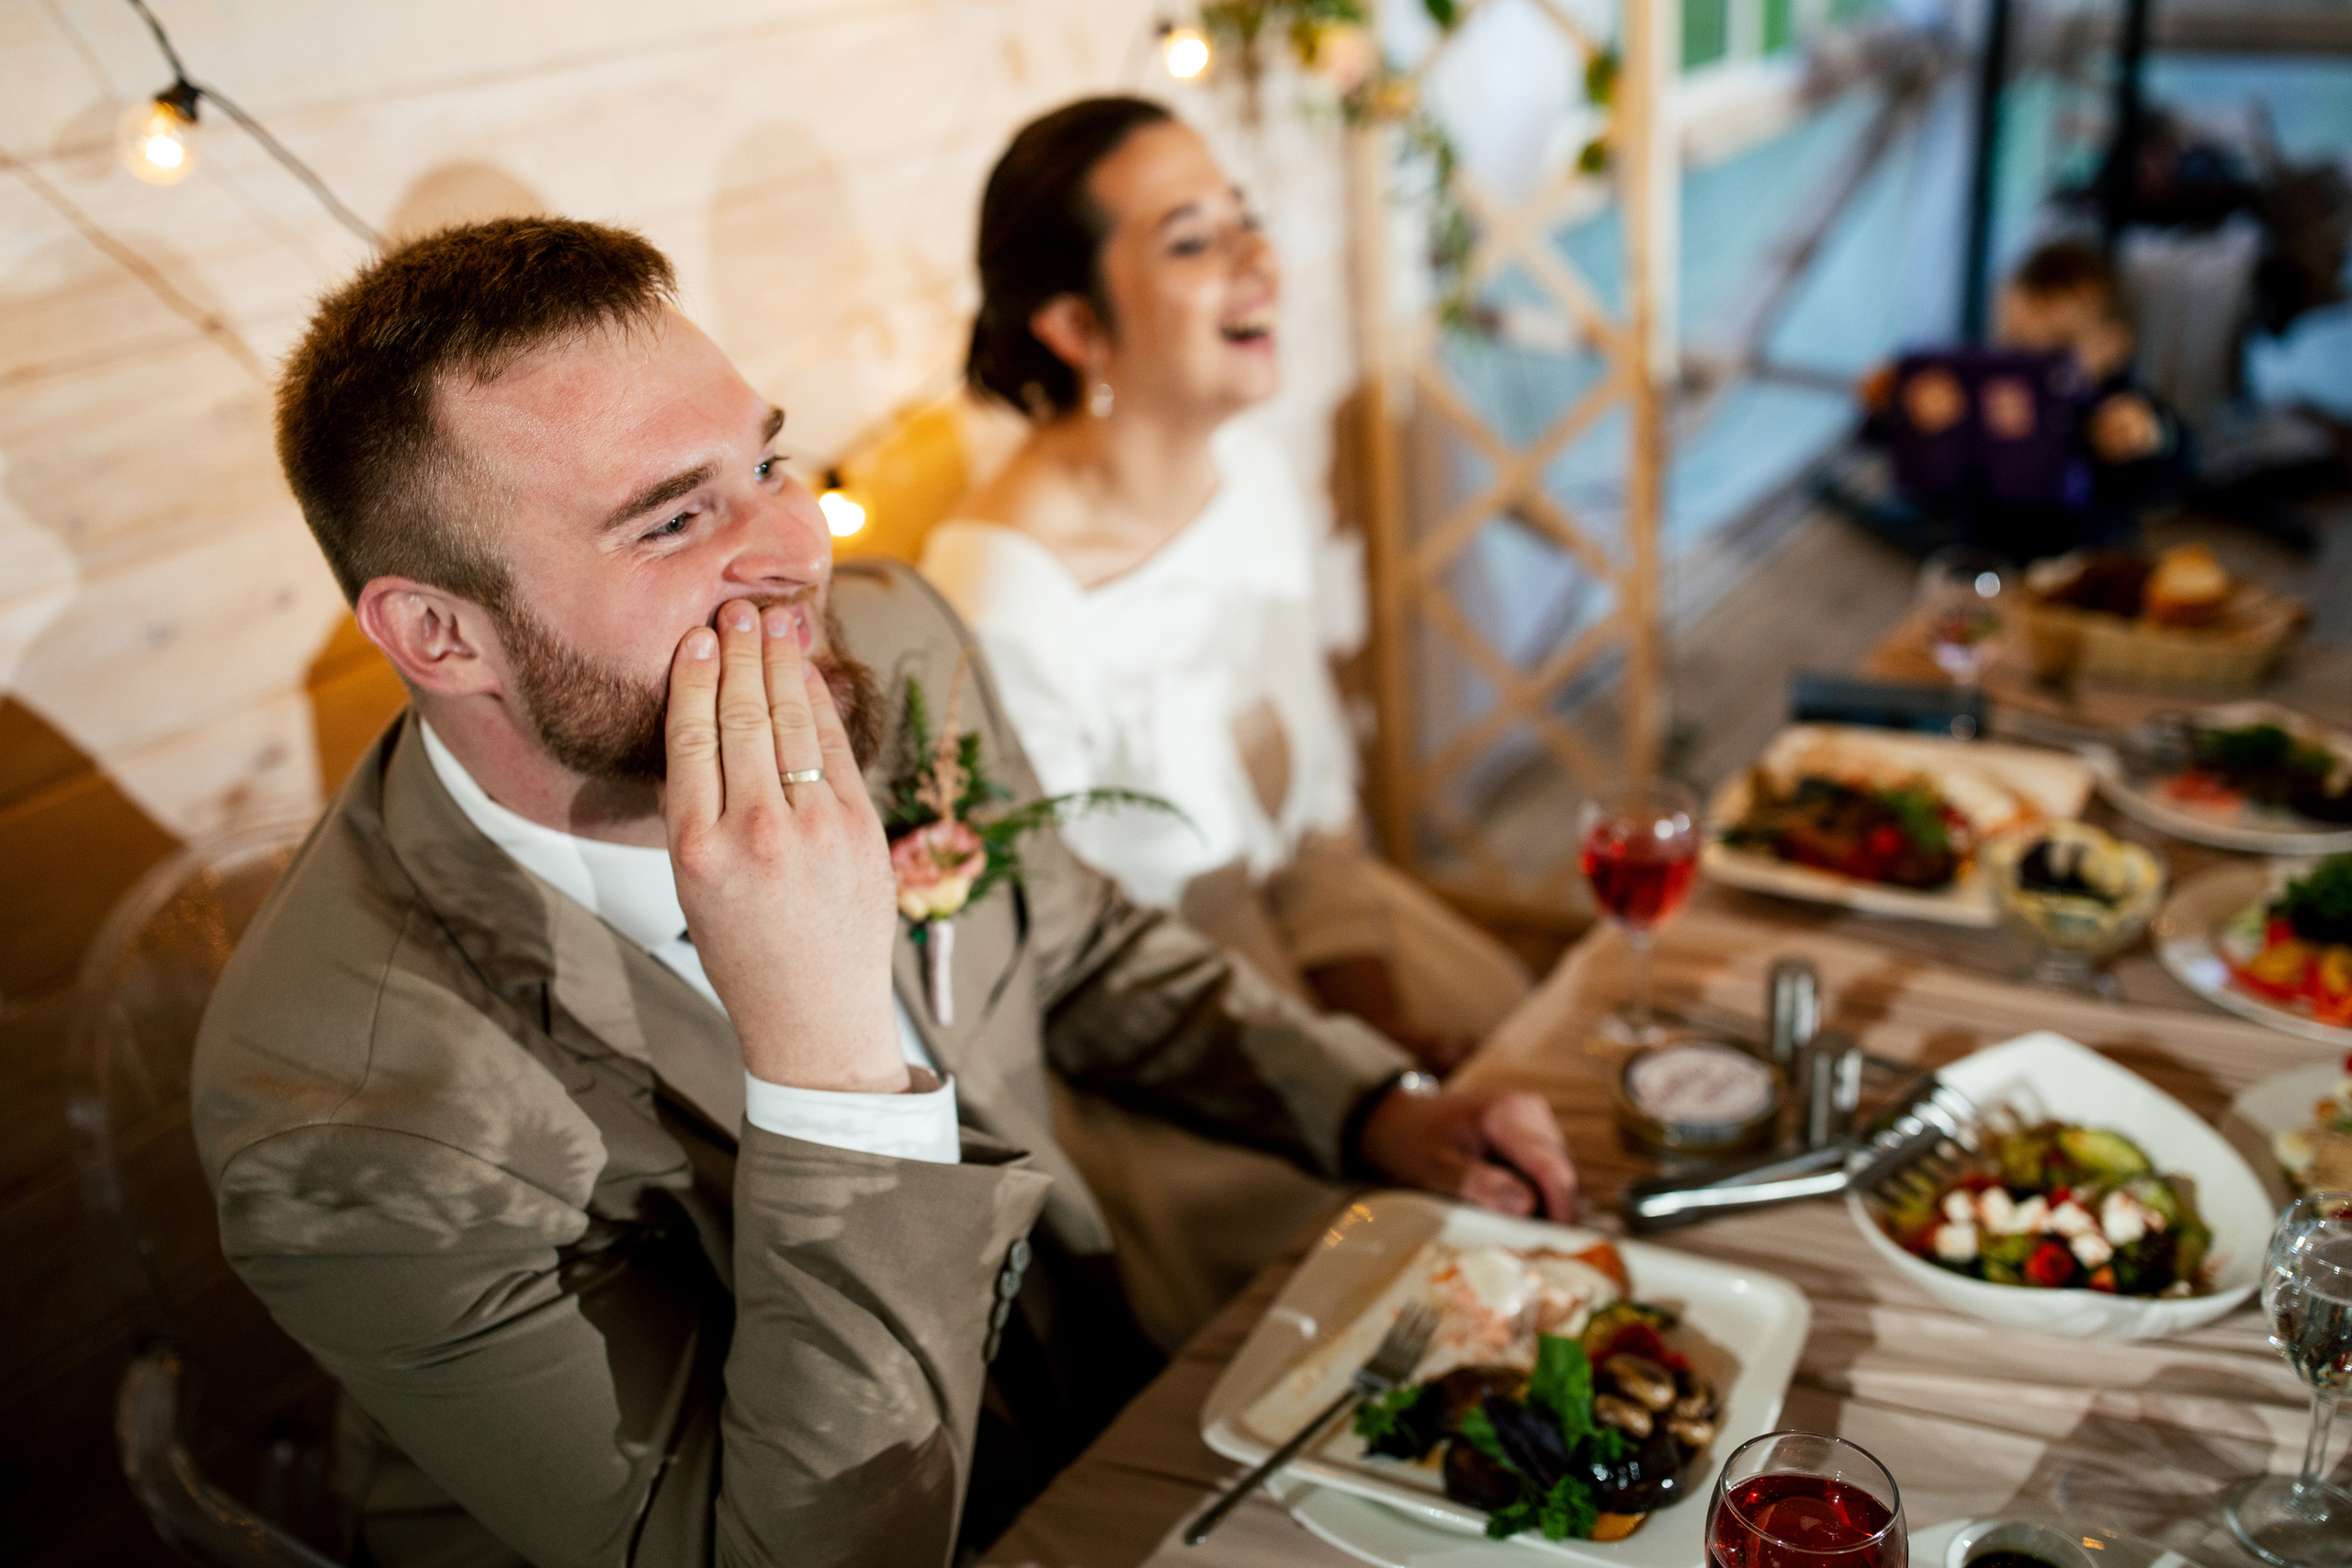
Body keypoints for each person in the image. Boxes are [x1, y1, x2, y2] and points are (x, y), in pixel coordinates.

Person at [192, 216, 1579, 1568]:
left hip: (1091, 1394)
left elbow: (1078, 948)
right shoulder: (346, 1114)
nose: (798, 549)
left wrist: (1375, 1108)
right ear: (439, 632)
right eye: (676, 516)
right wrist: (828, 1060)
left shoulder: (888, 645)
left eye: (769, 460)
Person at [920, 100, 1540, 1342]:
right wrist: (1341, 1075)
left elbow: (1310, 805)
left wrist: (1363, 1006)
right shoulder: (999, 595)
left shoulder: (1248, 471)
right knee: (1402, 1295)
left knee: (1531, 1098)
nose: (1262, 262)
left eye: (1249, 221)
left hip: (1312, 928)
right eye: (1194, 240)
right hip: (1164, 1046)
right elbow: (1084, 963)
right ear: (1077, 322)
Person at [1844, 238, 2188, 562]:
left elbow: (2173, 472)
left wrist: (2152, 437)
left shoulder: (2113, 405)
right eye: (2016, 348)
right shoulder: (1984, 397)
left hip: (2087, 566)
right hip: (1987, 558)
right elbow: (1911, 467)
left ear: (2115, 345)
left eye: (2058, 349)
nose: (2031, 367)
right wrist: (1888, 408)